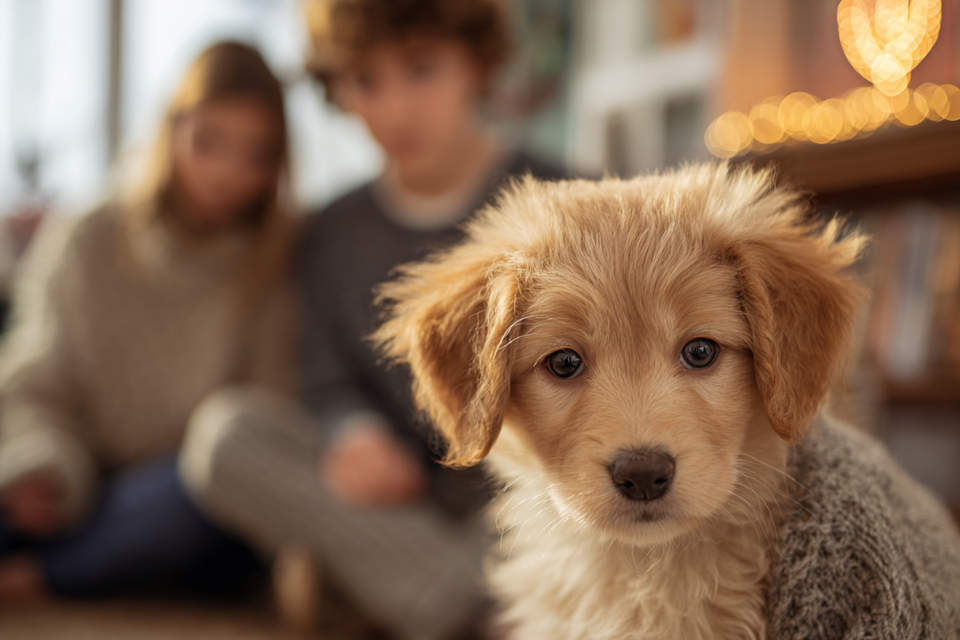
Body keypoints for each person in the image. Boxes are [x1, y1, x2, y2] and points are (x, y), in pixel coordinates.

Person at [180, 1, 565, 639]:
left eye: (421, 68)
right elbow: (325, 376)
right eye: (366, 80)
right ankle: (486, 609)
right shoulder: (329, 232)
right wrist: (353, 432)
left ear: (476, 63)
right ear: (338, 90)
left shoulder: (560, 200)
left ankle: (429, 598)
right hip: (393, 501)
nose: (394, 109)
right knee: (225, 438)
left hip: (516, 495)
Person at [0, 41, 294, 601]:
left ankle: (47, 577)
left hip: (186, 500)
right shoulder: (88, 236)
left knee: (199, 495)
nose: (228, 172)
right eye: (208, 143)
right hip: (79, 477)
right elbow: (33, 383)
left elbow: (269, 421)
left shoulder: (278, 256)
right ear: (170, 129)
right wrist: (44, 466)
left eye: (255, 153)